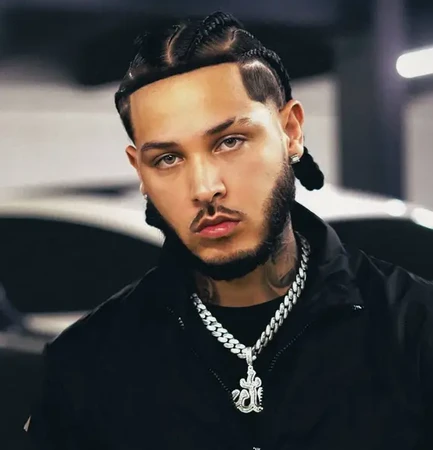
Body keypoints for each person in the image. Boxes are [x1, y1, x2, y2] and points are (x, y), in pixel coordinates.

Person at [26, 11, 433, 450]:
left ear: (290, 131)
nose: (204, 188)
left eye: (230, 141)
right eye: (167, 158)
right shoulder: (87, 362)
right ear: (139, 170)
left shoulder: (415, 330)